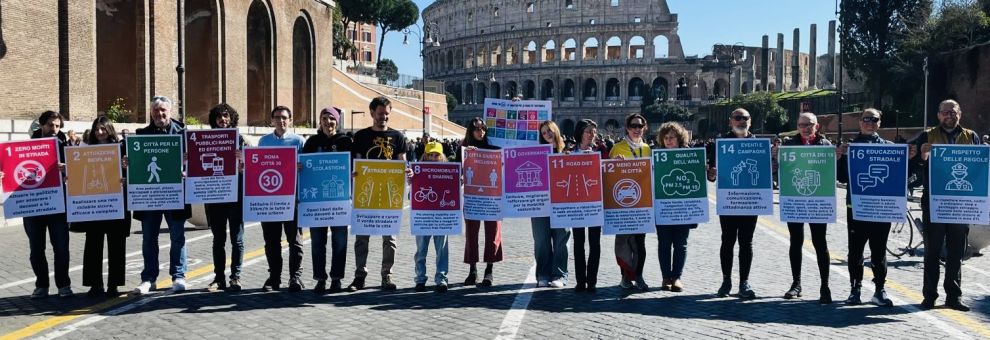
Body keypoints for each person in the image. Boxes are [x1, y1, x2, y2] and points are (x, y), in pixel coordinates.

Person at [910, 99, 982, 312]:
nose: (949, 115)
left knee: (956, 252)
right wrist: (922, 155)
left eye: (953, 111)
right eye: (944, 112)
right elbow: (912, 165)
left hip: (961, 204)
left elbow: (980, 168)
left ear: (960, 113)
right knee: (932, 252)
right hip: (935, 203)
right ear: (938, 115)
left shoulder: (971, 137)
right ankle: (929, 295)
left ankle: (953, 296)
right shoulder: (926, 135)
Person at [5, 111, 74, 298]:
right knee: (36, 249)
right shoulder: (24, 147)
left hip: (58, 205)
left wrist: (67, 168)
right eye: (51, 125)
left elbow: (76, 171)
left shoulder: (64, 146)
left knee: (61, 247)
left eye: (58, 126)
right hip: (33, 206)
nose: (54, 129)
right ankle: (42, 285)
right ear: (42, 125)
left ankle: (64, 285)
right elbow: (12, 170)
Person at [348, 96, 412, 291]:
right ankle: (360, 276)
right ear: (371, 113)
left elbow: (403, 161)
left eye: (386, 114)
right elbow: (356, 162)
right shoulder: (360, 136)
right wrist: (354, 173)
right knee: (362, 237)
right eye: (380, 113)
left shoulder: (398, 137)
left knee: (390, 238)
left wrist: (408, 171)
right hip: (365, 192)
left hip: (389, 193)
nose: (383, 117)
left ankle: (386, 275)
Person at [132, 96, 191, 295]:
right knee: (149, 238)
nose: (160, 114)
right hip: (150, 196)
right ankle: (149, 278)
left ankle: (178, 275)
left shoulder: (184, 135)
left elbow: (197, 163)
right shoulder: (140, 135)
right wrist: (127, 162)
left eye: (163, 110)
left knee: (177, 237)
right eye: (156, 111)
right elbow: (134, 162)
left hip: (175, 194)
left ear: (170, 112)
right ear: (151, 113)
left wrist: (188, 166)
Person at [836, 108, 894, 307]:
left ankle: (880, 290)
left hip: (882, 208)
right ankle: (855, 289)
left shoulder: (890, 147)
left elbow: (900, 177)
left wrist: (910, 158)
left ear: (880, 122)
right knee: (855, 251)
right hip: (857, 207)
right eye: (866, 119)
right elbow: (842, 178)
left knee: (879, 251)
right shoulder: (849, 147)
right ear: (860, 122)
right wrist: (839, 158)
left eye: (874, 119)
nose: (869, 122)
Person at [70, 116, 130, 298]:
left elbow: (132, 172)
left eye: (103, 129)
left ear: (110, 130)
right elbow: (78, 174)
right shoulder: (86, 150)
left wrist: (126, 171)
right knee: (93, 246)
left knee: (116, 246)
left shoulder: (121, 149)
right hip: (94, 206)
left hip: (116, 204)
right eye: (97, 129)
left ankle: (114, 285)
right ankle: (95, 284)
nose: (100, 132)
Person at [779, 112, 833, 304]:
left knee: (820, 243)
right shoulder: (788, 144)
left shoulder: (826, 146)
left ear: (816, 126)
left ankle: (825, 286)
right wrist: (776, 157)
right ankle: (796, 284)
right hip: (795, 199)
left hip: (818, 200)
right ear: (797, 126)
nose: (805, 127)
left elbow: (831, 172)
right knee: (796, 241)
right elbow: (781, 170)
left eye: (809, 124)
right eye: (802, 124)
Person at [706, 108, 758, 299]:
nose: (741, 121)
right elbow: (711, 174)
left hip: (751, 201)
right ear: (730, 121)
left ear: (750, 122)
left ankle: (744, 282)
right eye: (737, 118)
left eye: (745, 118)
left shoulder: (757, 144)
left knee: (746, 242)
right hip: (729, 199)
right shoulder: (720, 143)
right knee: (727, 240)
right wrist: (710, 175)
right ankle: (726, 280)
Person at [302, 107, 353, 294]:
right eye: (324, 118)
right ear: (320, 121)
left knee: (339, 242)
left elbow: (355, 165)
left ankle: (337, 278)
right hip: (316, 203)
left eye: (331, 118)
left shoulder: (346, 141)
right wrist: (300, 166)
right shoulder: (312, 142)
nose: (328, 122)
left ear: (337, 121)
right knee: (317, 243)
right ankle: (320, 279)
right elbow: (302, 165)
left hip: (339, 202)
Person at [257, 105, 306, 292]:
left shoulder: (299, 141)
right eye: (277, 117)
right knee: (271, 241)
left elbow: (307, 168)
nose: (281, 120)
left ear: (290, 120)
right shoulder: (263, 142)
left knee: (295, 241)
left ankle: (295, 277)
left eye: (284, 117)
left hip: (292, 199)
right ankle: (274, 277)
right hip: (270, 199)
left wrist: (301, 166)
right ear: (272, 120)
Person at [204, 103, 247, 293]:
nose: (223, 119)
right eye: (219, 116)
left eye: (226, 116)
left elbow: (250, 167)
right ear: (214, 120)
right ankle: (219, 277)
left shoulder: (241, 140)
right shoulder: (204, 140)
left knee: (237, 239)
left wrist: (243, 160)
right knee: (218, 239)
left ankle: (235, 277)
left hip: (236, 195)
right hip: (215, 196)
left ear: (232, 118)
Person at [460, 117, 504, 287]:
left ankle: (489, 270)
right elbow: (458, 171)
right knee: (471, 234)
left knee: (492, 233)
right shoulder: (463, 149)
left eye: (483, 128)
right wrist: (467, 155)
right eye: (477, 129)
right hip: (473, 198)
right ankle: (472, 270)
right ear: (471, 131)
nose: (481, 132)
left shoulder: (494, 147)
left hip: (492, 198)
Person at [655, 122, 698, 292]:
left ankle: (677, 277)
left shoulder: (691, 155)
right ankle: (666, 277)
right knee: (664, 243)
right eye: (665, 138)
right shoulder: (657, 155)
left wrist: (703, 170)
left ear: (679, 138)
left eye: (672, 137)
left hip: (683, 207)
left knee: (681, 244)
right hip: (663, 206)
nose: (668, 140)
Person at [610, 113, 651, 291]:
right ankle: (625, 276)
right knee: (624, 241)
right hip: (622, 202)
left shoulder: (647, 148)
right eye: (633, 126)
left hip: (642, 202)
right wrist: (614, 162)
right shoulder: (617, 148)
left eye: (640, 126)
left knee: (640, 242)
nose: (636, 129)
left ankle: (639, 275)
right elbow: (608, 172)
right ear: (627, 128)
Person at [532, 120, 571, 288]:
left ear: (556, 130)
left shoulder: (567, 152)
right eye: (543, 132)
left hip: (562, 202)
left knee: (561, 239)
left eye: (549, 130)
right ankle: (543, 273)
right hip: (539, 202)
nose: (547, 134)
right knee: (541, 240)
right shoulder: (536, 153)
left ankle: (560, 275)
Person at [571, 119, 605, 292]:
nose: (592, 135)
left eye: (594, 132)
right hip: (576, 204)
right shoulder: (568, 152)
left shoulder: (601, 151)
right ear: (580, 133)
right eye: (589, 131)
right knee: (578, 242)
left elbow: (609, 172)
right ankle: (580, 280)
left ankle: (591, 280)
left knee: (595, 243)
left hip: (594, 204)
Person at [412, 141, 451, 293]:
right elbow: (412, 195)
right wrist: (411, 180)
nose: (434, 158)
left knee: (442, 250)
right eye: (430, 155)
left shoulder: (449, 171)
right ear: (425, 156)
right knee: (421, 249)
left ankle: (441, 278)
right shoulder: (417, 171)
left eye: (437, 155)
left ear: (442, 157)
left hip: (442, 216)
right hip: (423, 216)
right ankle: (420, 278)